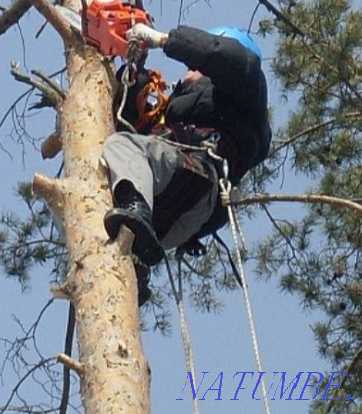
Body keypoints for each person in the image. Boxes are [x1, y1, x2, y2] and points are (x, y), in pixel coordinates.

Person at [101, 23, 271, 303]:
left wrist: (168, 41)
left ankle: (136, 215)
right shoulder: (173, 116)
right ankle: (134, 264)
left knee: (123, 147)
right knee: (107, 178)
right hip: (178, 221)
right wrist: (132, 75)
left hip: (194, 173)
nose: (188, 69)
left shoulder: (242, 89)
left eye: (195, 62)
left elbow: (228, 59)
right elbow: (125, 122)